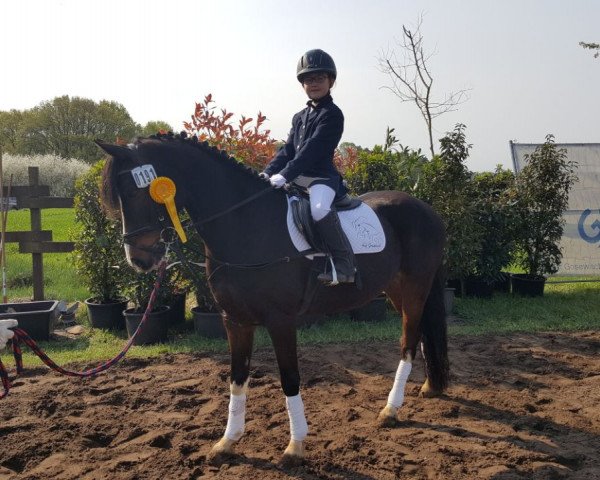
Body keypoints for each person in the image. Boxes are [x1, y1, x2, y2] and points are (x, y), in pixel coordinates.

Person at [262, 48, 356, 285]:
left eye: (319, 79)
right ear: (302, 84)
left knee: (319, 210)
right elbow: (288, 150)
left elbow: (312, 150)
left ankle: (344, 264)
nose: (314, 84)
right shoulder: (299, 117)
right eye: (309, 79)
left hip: (321, 180)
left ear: (330, 81)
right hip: (297, 181)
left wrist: (284, 175)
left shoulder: (332, 114)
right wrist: (268, 172)